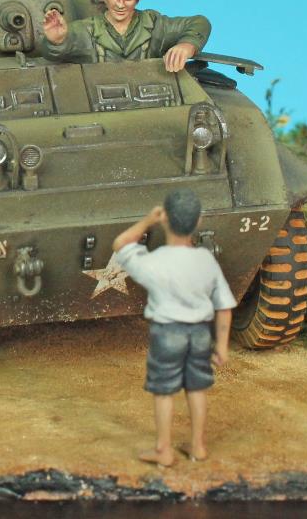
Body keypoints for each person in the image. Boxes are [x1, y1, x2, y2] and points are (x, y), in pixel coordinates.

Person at [113, 190, 235, 467]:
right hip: (200, 334)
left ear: (165, 219)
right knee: (196, 389)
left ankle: (163, 450)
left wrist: (148, 221)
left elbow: (120, 244)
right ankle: (198, 447)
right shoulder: (206, 260)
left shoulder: (153, 262)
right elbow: (224, 305)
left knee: (164, 391)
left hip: (167, 333)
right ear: (199, 221)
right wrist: (222, 345)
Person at [38, 0, 210, 72]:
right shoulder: (86, 30)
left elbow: (200, 23)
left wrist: (187, 45)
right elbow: (52, 54)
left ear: (137, 0)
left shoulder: (154, 24)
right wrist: (56, 41)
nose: (120, 5)